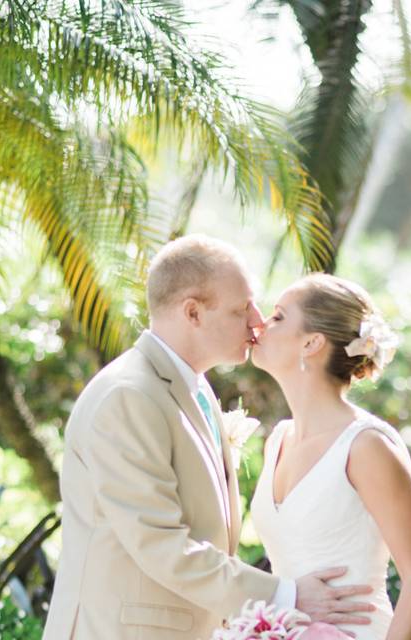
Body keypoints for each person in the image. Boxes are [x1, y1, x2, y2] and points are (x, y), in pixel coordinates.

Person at [43, 236, 375, 640]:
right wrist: (284, 595)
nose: (257, 322)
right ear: (193, 313)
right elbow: (159, 544)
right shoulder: (128, 396)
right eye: (241, 309)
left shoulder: (193, 390)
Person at [250, 273, 411, 640]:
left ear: (312, 343)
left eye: (278, 316)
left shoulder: (366, 445)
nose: (260, 324)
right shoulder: (278, 440)